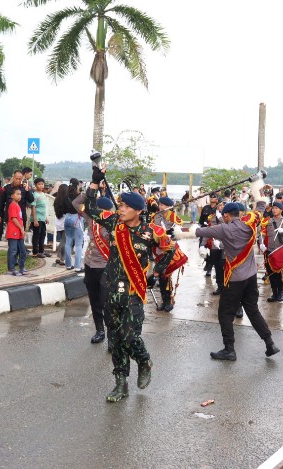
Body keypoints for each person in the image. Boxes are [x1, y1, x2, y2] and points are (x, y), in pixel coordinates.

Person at [84, 166, 174, 402]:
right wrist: (94, 182)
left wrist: (157, 272)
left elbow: (169, 250)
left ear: (138, 210)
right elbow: (90, 208)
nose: (120, 209)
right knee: (115, 339)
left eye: (124, 206)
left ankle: (144, 361)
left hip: (133, 291)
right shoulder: (115, 223)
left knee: (130, 336)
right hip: (111, 288)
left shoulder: (152, 231)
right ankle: (120, 383)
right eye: (120, 205)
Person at [195, 190, 280, 361]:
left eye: (224, 215)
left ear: (226, 215)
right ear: (238, 214)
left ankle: (229, 349)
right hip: (251, 276)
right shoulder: (250, 222)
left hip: (234, 279)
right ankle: (270, 343)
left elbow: (200, 232)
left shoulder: (223, 228)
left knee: (225, 313)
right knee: (253, 310)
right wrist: (257, 182)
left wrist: (178, 233)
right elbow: (261, 206)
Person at [73, 188, 113, 343]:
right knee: (94, 299)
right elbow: (76, 203)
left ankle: (112, 336)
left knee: (107, 302)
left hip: (105, 266)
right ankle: (99, 330)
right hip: (90, 265)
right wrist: (90, 192)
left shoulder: (113, 224)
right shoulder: (91, 219)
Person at [260, 201, 283, 303]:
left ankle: (280, 292)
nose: (274, 210)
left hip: (280, 251)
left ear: (281, 210)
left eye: (276, 208)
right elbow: (262, 234)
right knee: (271, 273)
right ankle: (274, 293)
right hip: (270, 250)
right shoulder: (267, 221)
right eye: (273, 208)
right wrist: (261, 243)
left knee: (280, 273)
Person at [151, 196, 183, 312]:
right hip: (158, 248)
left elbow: (178, 233)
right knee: (161, 277)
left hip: (169, 249)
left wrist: (170, 236)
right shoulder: (156, 216)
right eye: (160, 204)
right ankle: (164, 301)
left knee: (166, 275)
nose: (160, 207)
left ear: (169, 206)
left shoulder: (173, 217)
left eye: (163, 205)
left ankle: (169, 301)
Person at [5, 186, 28, 276]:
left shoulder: (18, 205)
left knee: (23, 251)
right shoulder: (12, 205)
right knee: (13, 251)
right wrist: (21, 228)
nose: (19, 196)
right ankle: (11, 269)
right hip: (13, 232)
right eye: (17, 194)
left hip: (19, 233)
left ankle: (21, 267)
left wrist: (22, 229)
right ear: (12, 196)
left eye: (20, 194)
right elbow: (14, 219)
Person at [63, 178, 84, 270]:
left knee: (68, 243)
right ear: (77, 185)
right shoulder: (80, 196)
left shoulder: (65, 196)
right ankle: (77, 266)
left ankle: (68, 265)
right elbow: (83, 209)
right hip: (77, 219)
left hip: (67, 218)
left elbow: (63, 209)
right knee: (78, 244)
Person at [29, 177, 50, 258]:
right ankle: (35, 252)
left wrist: (46, 218)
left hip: (42, 218)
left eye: (42, 184)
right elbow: (33, 207)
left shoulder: (43, 194)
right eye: (39, 184)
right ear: (35, 185)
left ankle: (41, 251)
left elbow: (44, 208)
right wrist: (35, 219)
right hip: (37, 218)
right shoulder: (35, 195)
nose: (41, 186)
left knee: (43, 234)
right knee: (36, 235)